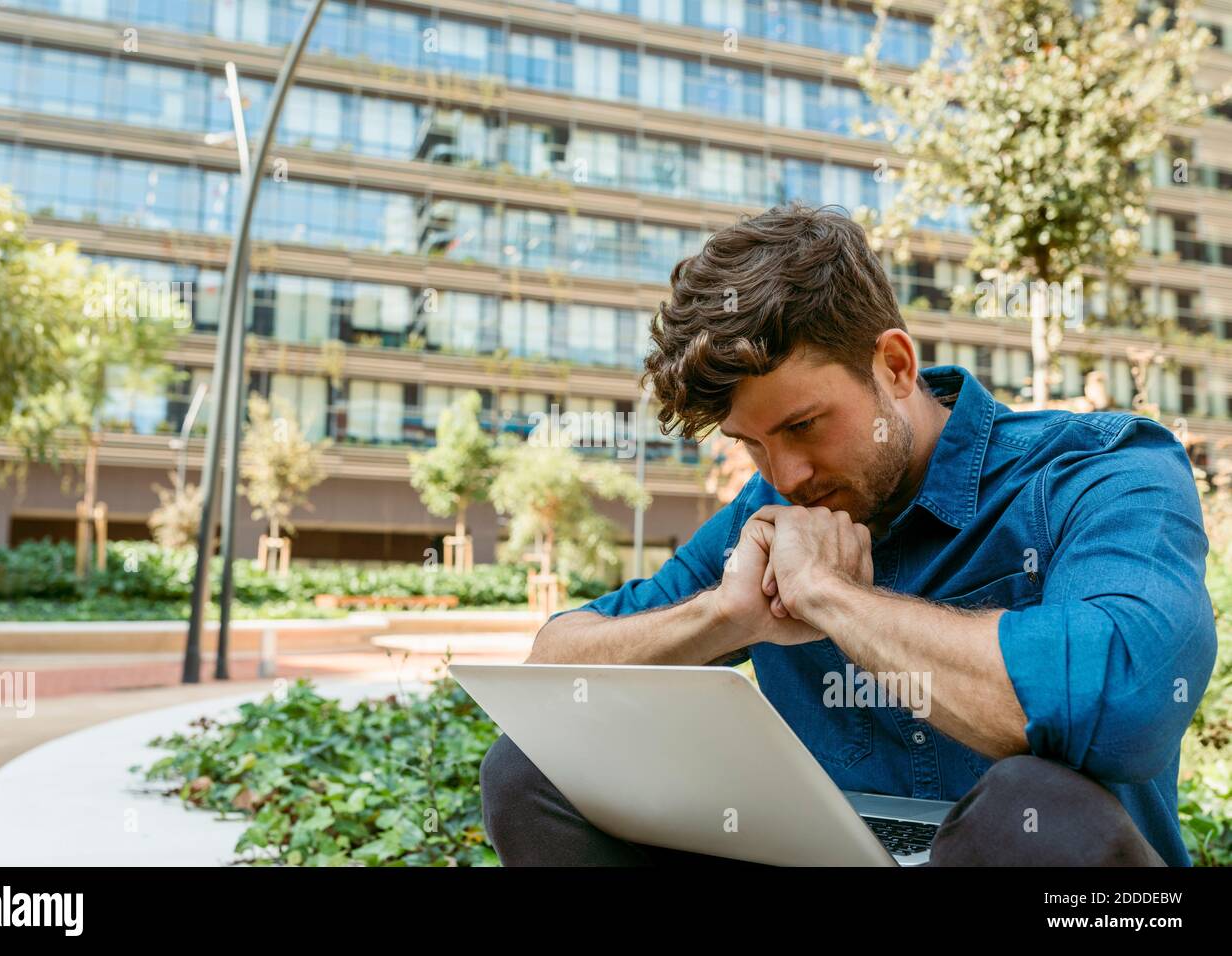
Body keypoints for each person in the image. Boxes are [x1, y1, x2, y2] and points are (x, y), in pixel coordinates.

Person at [479, 202, 1218, 867]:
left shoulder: (1100, 467)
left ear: (894, 365)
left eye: (803, 425)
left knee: (1037, 816)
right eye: (753, 442)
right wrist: (723, 615)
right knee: (529, 770)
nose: (787, 473)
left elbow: (1125, 703)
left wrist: (830, 596)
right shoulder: (766, 513)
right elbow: (557, 665)